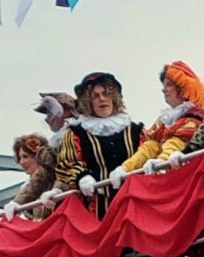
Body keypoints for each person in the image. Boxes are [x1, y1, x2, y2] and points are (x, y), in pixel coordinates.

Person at [54, 72, 144, 204]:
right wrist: (81, 177)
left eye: (106, 94)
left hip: (135, 202)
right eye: (95, 96)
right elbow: (66, 165)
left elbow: (148, 158)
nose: (102, 99)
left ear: (114, 97)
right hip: (96, 207)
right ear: (88, 102)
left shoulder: (135, 131)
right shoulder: (76, 133)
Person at [116, 61, 204, 175]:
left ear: (184, 87)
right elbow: (150, 147)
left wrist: (162, 162)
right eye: (163, 85)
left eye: (169, 85)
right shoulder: (164, 120)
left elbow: (176, 143)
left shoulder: (195, 117)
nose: (163, 89)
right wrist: (125, 168)